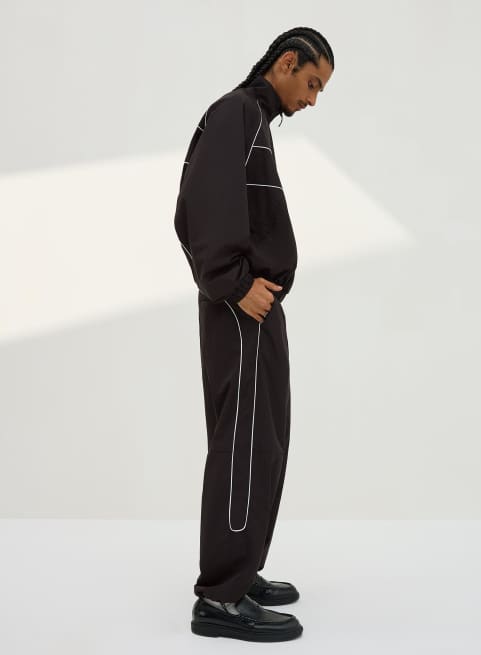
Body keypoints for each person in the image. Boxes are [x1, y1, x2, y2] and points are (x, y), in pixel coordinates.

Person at [173, 26, 334, 642]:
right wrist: (233, 283)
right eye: (312, 84)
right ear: (287, 62)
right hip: (239, 306)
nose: (312, 100)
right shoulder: (235, 113)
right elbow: (198, 206)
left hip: (257, 309)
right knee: (242, 445)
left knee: (265, 440)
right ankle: (220, 597)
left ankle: (241, 571)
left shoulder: (255, 122)